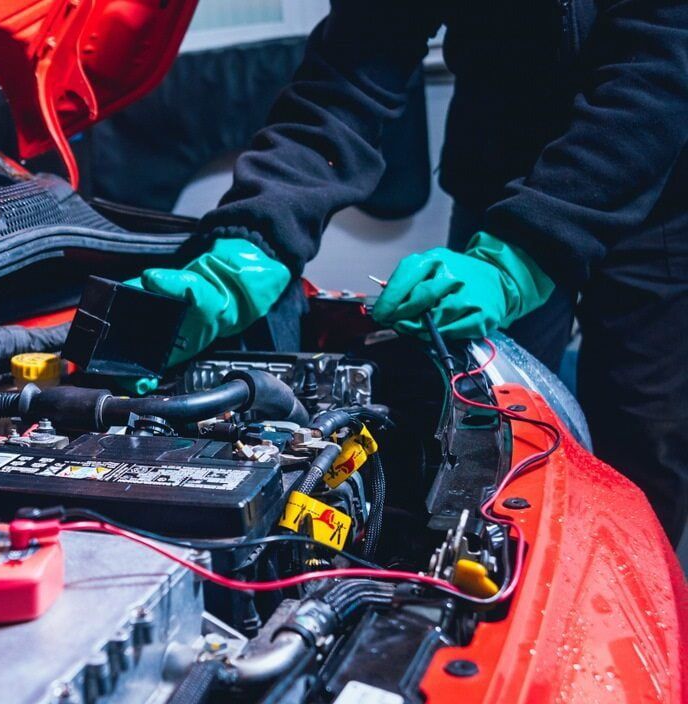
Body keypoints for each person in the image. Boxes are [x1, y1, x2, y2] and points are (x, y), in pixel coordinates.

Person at [128, 1, 687, 543]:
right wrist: (255, 235)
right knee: (490, 439)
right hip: (498, 186)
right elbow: (346, 78)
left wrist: (528, 251)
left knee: (646, 439)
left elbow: (657, 77)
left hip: (656, 198)